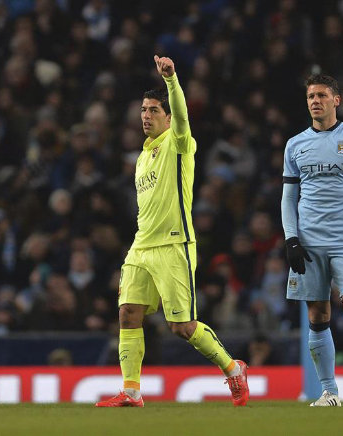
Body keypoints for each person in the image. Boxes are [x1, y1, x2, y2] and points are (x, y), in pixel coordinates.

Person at [96, 55, 249, 407]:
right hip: (142, 247)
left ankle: (232, 368)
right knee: (127, 313)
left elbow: (183, 116)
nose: (146, 116)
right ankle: (132, 391)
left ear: (167, 117)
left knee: (182, 327)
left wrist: (172, 81)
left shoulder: (178, 145)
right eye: (143, 110)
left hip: (173, 245)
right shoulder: (142, 157)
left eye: (153, 110)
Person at [281, 74, 343, 407]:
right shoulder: (295, 144)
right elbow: (288, 198)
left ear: (336, 100)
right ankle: (329, 391)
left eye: (322, 95)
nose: (315, 101)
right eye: (311, 96)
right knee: (318, 316)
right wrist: (291, 240)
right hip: (309, 245)